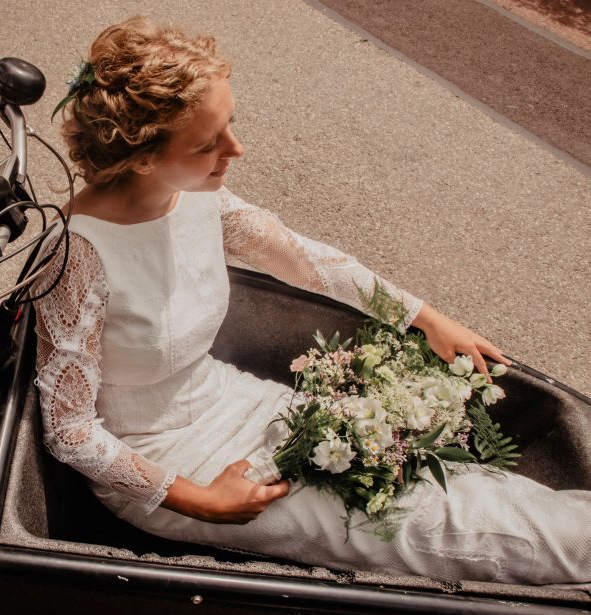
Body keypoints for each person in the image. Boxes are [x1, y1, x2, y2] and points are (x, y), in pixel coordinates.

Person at [34, 16, 591, 586]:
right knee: (412, 525)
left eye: (231, 125)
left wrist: (422, 317)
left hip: (232, 400)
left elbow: (307, 260)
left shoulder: (196, 194)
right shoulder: (78, 255)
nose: (236, 149)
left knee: (424, 479)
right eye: (209, 144)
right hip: (168, 463)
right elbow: (69, 427)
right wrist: (200, 500)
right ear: (143, 157)